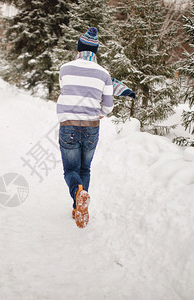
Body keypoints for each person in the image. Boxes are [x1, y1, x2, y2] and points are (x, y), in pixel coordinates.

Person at [56, 27, 113, 228]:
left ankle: (77, 195)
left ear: (79, 48)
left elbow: (64, 89)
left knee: (70, 169)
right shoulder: (104, 74)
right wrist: (101, 112)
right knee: (84, 168)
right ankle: (79, 205)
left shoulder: (65, 68)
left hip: (68, 124)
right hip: (91, 126)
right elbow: (108, 105)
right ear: (95, 51)